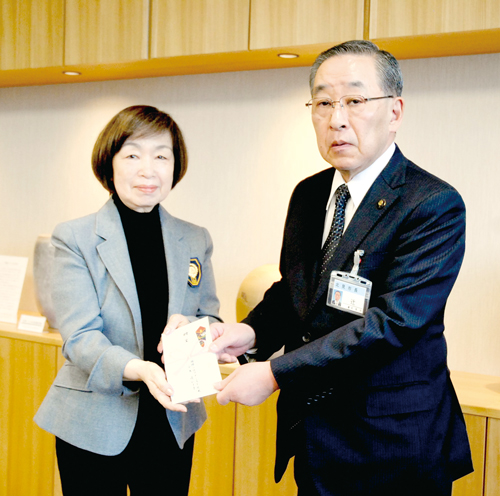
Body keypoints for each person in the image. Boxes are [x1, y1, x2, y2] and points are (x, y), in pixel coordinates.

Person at [210, 41, 473, 495]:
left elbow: (393, 324)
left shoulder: (432, 203)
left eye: (354, 100)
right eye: (323, 103)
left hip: (393, 444)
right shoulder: (309, 194)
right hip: (316, 434)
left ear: (394, 112)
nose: (337, 119)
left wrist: (275, 373)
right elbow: (296, 292)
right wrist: (251, 333)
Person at [35, 105, 222, 495]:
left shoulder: (195, 238)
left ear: (175, 166)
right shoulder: (75, 237)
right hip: (93, 422)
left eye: (161, 156)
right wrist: (140, 369)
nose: (148, 170)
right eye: (133, 155)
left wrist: (194, 330)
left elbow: (211, 321)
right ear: (110, 163)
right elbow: (80, 337)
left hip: (172, 420)